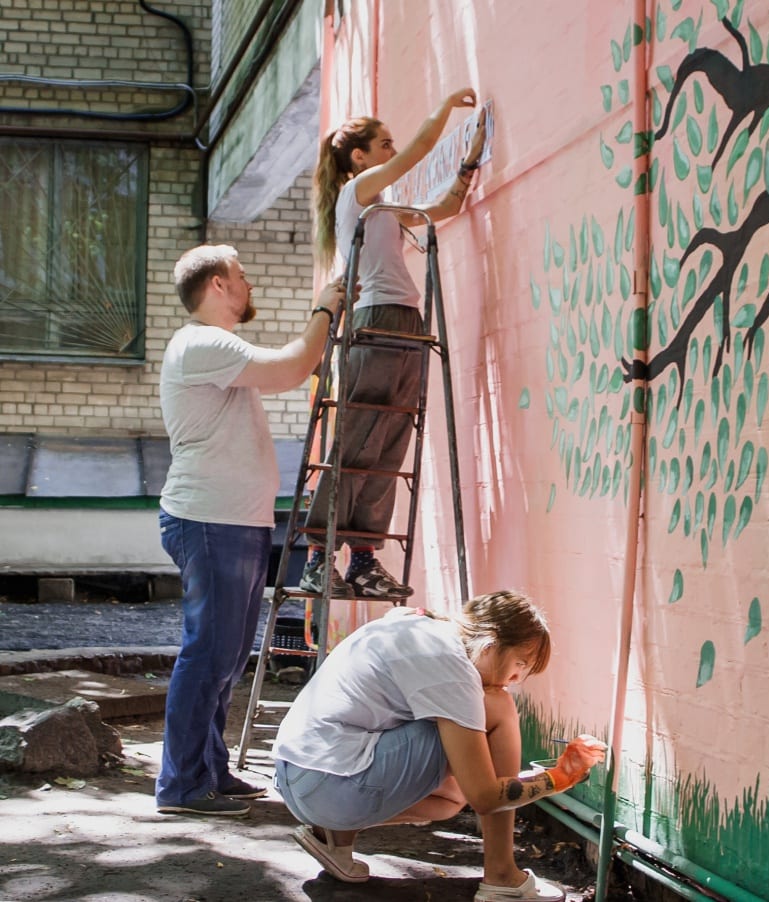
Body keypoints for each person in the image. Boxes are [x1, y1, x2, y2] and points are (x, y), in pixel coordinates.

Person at [155, 244, 348, 816]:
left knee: (227, 657)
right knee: (209, 655)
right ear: (217, 285)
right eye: (240, 275)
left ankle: (209, 772)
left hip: (229, 521)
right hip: (209, 520)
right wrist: (324, 311)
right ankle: (182, 786)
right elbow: (292, 367)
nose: (248, 282)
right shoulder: (201, 342)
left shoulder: (215, 348)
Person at [273, 590, 606, 901]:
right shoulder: (452, 669)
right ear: (489, 644)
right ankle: (502, 877)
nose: (517, 679)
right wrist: (561, 777)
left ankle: (334, 837)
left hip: (297, 779)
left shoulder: (420, 625)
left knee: (450, 798)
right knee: (499, 707)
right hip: (328, 785)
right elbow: (486, 797)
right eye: (520, 664)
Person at [300, 86, 488, 600]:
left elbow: (444, 207)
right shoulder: (355, 193)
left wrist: (470, 161)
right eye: (383, 143)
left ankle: (362, 557)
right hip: (376, 319)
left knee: (390, 442)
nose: (391, 149)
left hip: (406, 321)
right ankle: (318, 556)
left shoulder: (382, 207)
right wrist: (447, 107)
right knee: (358, 438)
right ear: (359, 157)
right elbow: (417, 154)